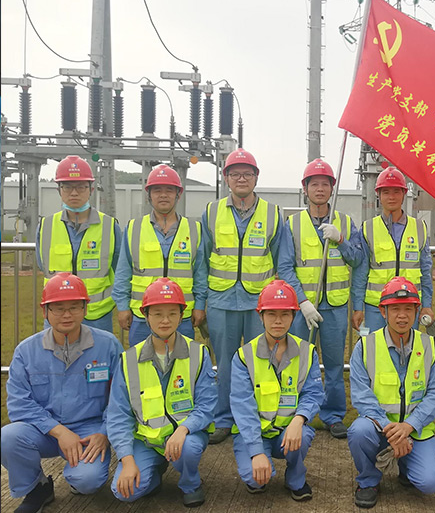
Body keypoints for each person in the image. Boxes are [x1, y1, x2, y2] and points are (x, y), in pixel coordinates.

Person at [2, 273, 123, 513]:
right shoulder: (26, 351)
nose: (67, 315)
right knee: (7, 437)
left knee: (88, 481)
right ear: (45, 311)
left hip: (89, 431)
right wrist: (59, 431)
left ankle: (77, 478)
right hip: (44, 431)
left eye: (74, 307)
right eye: (58, 308)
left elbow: (122, 398)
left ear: (85, 308)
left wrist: (104, 433)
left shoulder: (108, 345)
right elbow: (18, 403)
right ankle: (37, 488)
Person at [107, 278, 216, 507]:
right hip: (146, 440)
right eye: (157, 314)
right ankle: (154, 470)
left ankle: (190, 483)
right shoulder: (128, 360)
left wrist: (183, 429)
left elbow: (207, 405)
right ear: (145, 315)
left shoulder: (198, 353)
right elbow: (118, 416)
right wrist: (127, 460)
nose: (165, 320)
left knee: (188, 449)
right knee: (124, 492)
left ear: (181, 315)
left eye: (172, 313)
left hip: (185, 437)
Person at [202, 148, 284, 444]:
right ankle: (224, 418)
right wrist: (201, 302)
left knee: (260, 361)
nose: (241, 179)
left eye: (247, 174)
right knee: (224, 363)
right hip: (221, 301)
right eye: (234, 174)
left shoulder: (273, 214)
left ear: (256, 178)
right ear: (225, 178)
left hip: (258, 304)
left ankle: (258, 417)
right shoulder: (211, 212)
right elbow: (202, 260)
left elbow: (282, 259)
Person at [278, 158, 363, 440]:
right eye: (314, 184)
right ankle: (295, 414)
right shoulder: (292, 224)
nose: (319, 189)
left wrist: (341, 240)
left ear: (332, 189)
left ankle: (333, 415)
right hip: (302, 308)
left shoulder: (345, 223)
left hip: (335, 306)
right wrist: (302, 301)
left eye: (325, 184)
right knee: (297, 361)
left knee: (335, 365)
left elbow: (358, 258)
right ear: (305, 189)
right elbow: (285, 267)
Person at [348, 277, 435, 509]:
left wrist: (409, 426)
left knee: (431, 482)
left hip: (415, 429)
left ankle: (406, 465)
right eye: (395, 309)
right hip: (379, 429)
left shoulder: (431, 346)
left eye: (408, 309)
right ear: (383, 311)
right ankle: (368, 481)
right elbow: (362, 397)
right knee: (358, 431)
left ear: (416, 311)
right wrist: (392, 432)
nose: (402, 316)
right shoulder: (365, 346)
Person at [230, 280, 324, 501]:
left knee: (304, 434)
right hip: (254, 433)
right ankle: (258, 463)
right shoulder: (244, 356)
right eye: (271, 314)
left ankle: (296, 478)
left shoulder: (307, 352)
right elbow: (243, 407)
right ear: (260, 316)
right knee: (256, 479)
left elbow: (313, 393)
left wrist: (299, 420)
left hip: (288, 431)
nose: (278, 321)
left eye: (285, 314)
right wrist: (256, 451)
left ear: (293, 316)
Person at [113, 164, 208, 346]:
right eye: (157, 190)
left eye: (169, 190)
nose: (163, 195)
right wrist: (123, 307)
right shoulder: (134, 228)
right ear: (148, 195)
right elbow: (123, 272)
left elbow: (200, 273)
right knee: (141, 361)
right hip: (143, 316)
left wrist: (199, 305)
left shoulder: (194, 230)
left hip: (180, 316)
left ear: (178, 194)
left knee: (182, 362)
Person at [36, 155, 122, 333]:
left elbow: (118, 268)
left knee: (98, 351)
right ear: (59, 190)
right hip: (57, 313)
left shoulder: (110, 226)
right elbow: (42, 263)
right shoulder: (45, 226)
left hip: (97, 314)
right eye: (67, 187)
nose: (74, 193)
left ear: (91, 189)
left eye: (81, 187)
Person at [351, 166, 434, 333]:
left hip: (409, 304)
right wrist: (358, 307)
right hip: (377, 306)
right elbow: (361, 272)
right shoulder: (368, 228)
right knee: (376, 347)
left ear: (404, 194)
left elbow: (426, 271)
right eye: (386, 192)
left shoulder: (419, 228)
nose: (391, 197)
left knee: (407, 348)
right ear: (378, 195)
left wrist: (426, 305)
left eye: (396, 191)